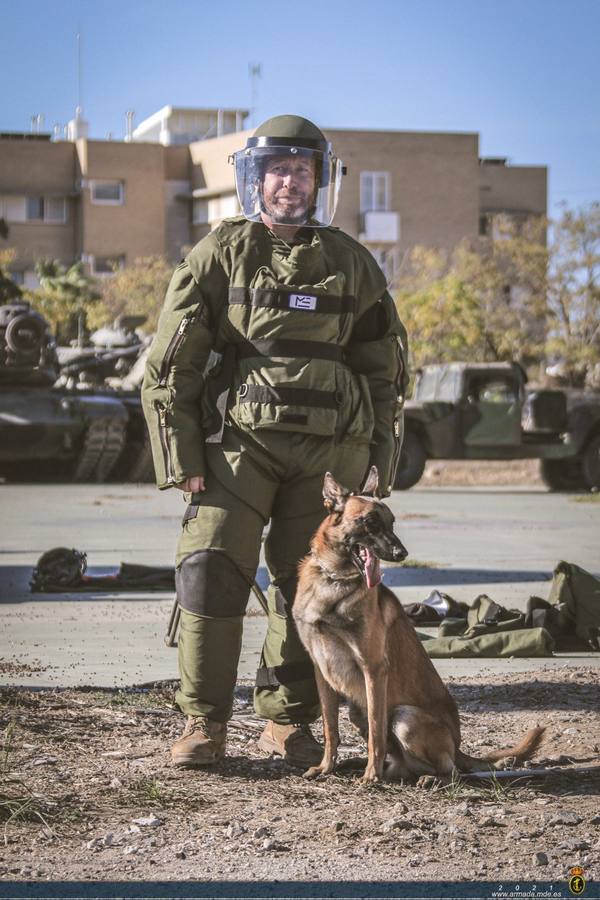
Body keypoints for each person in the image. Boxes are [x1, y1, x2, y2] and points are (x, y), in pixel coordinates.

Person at [141, 115, 409, 768]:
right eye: (279, 170)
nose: (291, 182)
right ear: (255, 180)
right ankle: (203, 724)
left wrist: (378, 469)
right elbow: (169, 364)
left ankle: (288, 722)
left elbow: (386, 372)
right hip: (234, 453)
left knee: (312, 590)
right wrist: (182, 458)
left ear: (321, 180)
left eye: (303, 170)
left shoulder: (351, 261)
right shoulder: (217, 254)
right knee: (209, 572)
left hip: (332, 460)